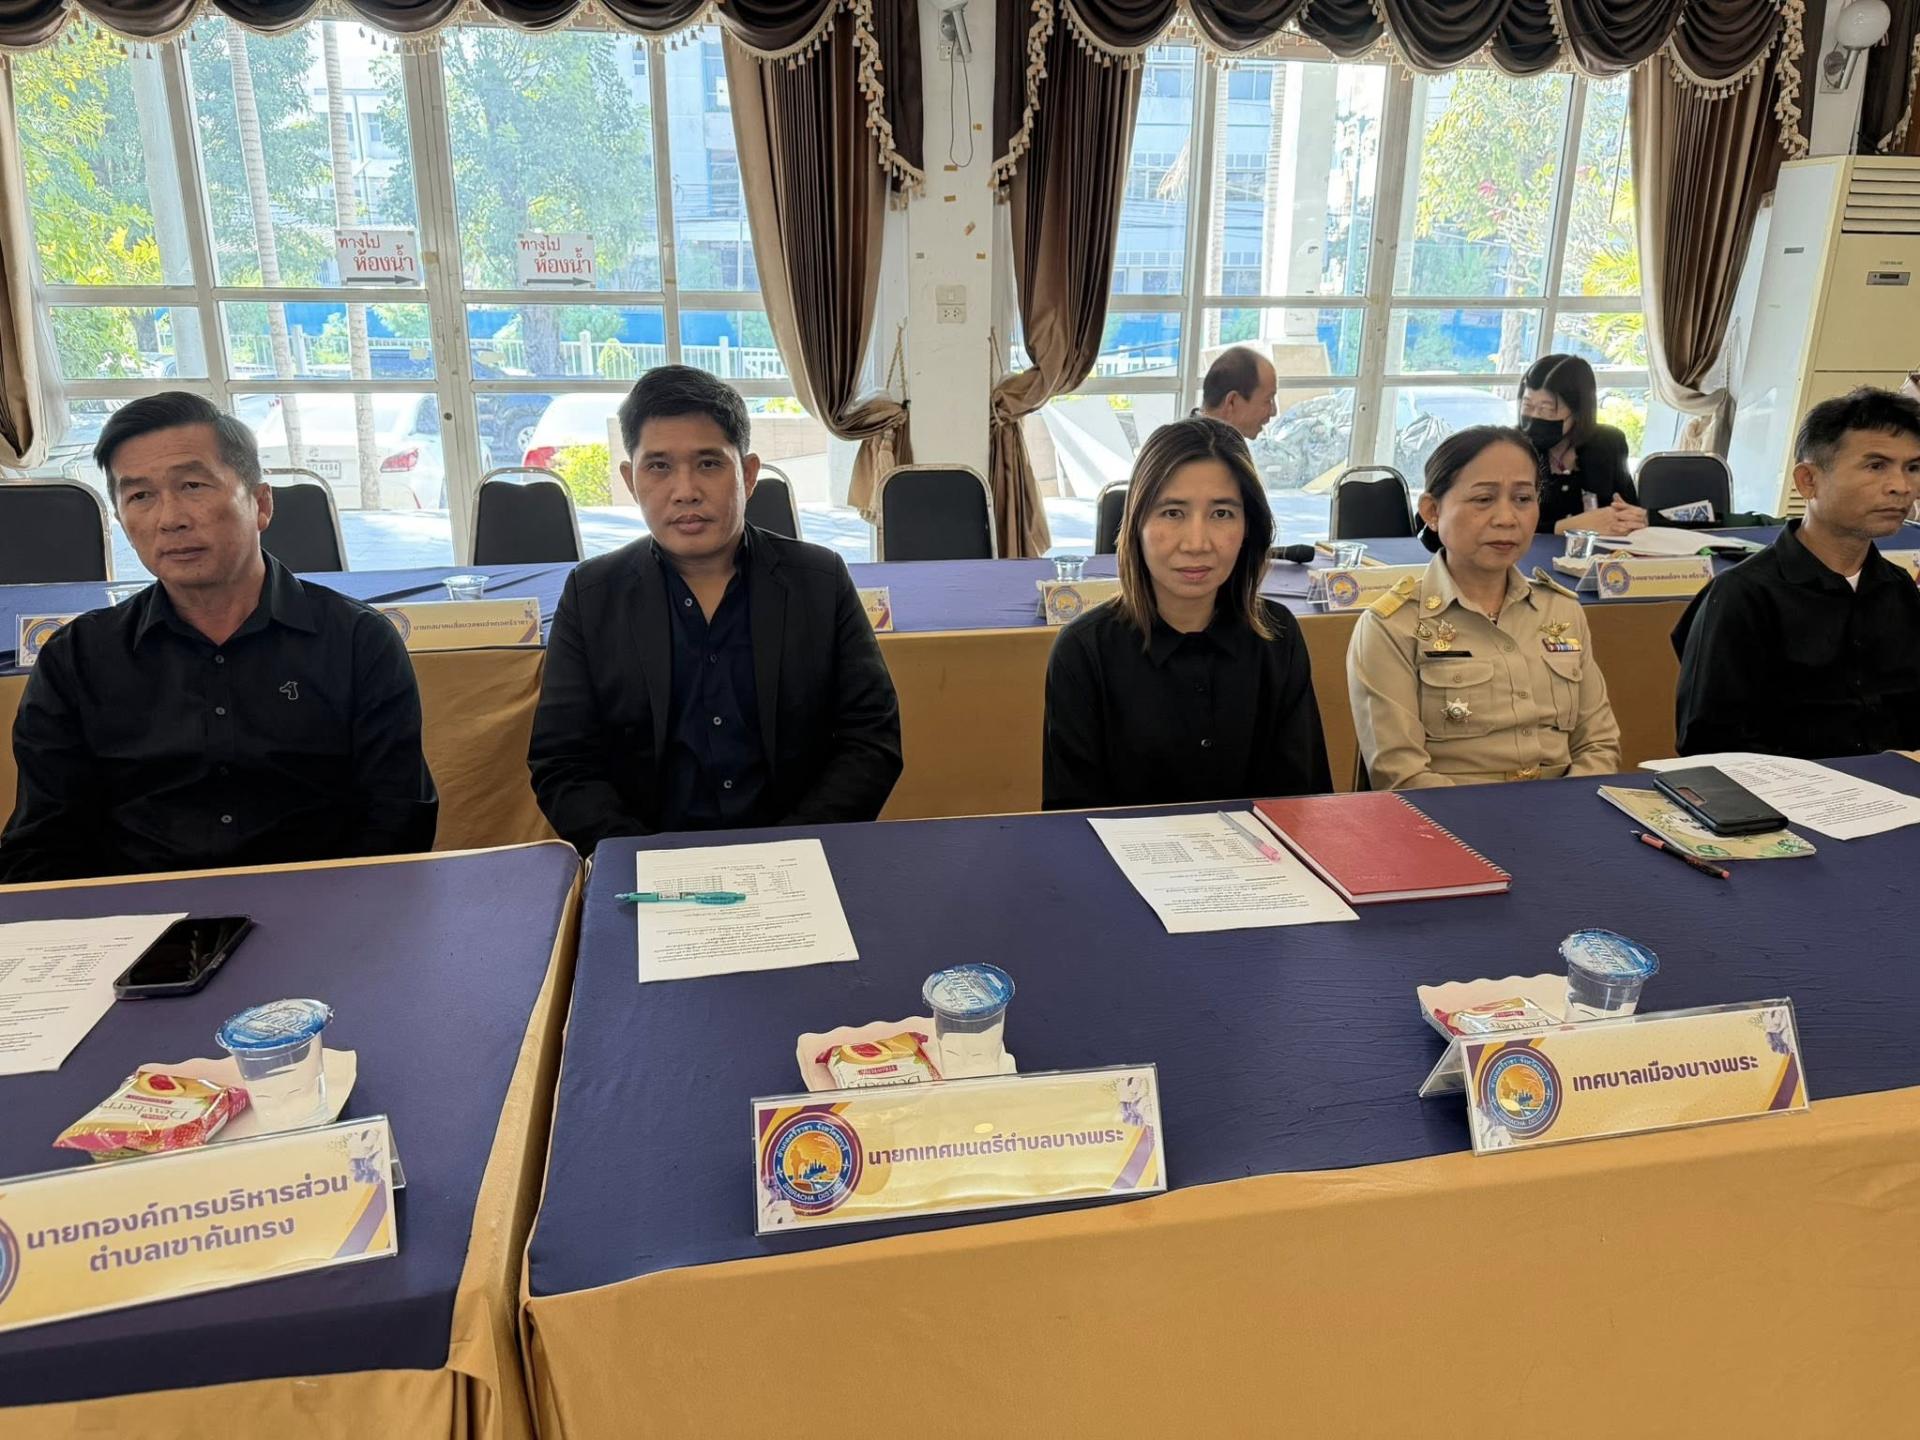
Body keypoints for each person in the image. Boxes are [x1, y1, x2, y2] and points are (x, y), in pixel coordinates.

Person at [0, 393, 437, 882]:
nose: (170, 518)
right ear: (121, 520)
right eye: (140, 496)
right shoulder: (77, 659)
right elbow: (41, 843)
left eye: (192, 485)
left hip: (327, 908)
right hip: (138, 918)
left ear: (261, 504)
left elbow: (399, 823)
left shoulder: (358, 642)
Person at [528, 366, 902, 853]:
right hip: (646, 866)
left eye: (708, 463)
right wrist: (640, 858)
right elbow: (562, 761)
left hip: (799, 856)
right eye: (658, 466)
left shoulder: (819, 581)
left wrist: (797, 847)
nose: (685, 490)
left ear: (747, 474)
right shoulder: (592, 595)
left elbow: (871, 739)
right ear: (630, 480)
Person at [1042, 416, 1330, 809]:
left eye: (1222, 513)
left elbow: (1303, 803)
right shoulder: (1083, 651)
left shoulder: (1278, 636)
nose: (1197, 543)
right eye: (1173, 513)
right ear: (1137, 523)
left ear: (1249, 527)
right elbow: (1072, 821)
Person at [1348, 425, 1621, 790]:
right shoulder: (1393, 626)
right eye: (1483, 499)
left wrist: (1564, 812)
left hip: (1563, 813)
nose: (1506, 518)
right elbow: (1401, 774)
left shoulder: (1561, 611)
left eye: (1523, 499)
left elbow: (1599, 745)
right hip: (1447, 818)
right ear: (1432, 511)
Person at [1673, 387, 1920, 759]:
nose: (1901, 487)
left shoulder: (1898, 588)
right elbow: (1708, 744)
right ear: (1808, 481)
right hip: (1783, 790)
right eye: (1876, 466)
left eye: (1913, 468)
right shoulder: (1743, 595)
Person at [1519, 353, 1646, 538]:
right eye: (1527, 406)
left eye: (1547, 409)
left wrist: (1633, 517)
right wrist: (1567, 527)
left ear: (1578, 411)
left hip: (1600, 551)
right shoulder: (1513, 448)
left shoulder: (1609, 443)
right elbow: (1505, 524)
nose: (1535, 416)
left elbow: (1627, 507)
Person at [1197, 346, 1279, 442]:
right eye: (1268, 400)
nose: (1273, 412)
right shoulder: (1201, 449)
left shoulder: (1211, 442)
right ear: (1232, 402)